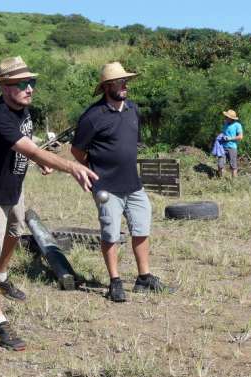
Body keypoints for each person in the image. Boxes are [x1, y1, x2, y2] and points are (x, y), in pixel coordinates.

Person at [0, 56, 98, 351]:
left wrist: (37, 160)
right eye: (22, 84)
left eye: (32, 82)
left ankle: (3, 276)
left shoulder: (24, 110)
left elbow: (28, 145)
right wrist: (70, 166)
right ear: (5, 88)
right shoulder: (0, 117)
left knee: (15, 232)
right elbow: (28, 147)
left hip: (14, 186)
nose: (30, 89)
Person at [71, 62, 172, 303]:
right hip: (106, 186)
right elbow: (77, 151)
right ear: (107, 87)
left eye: (126, 81)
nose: (124, 86)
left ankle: (144, 278)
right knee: (110, 233)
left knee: (141, 228)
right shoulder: (93, 116)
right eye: (119, 82)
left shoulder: (132, 110)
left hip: (133, 184)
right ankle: (115, 282)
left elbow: (131, 143)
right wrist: (93, 173)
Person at [217, 109, 243, 178]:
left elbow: (240, 137)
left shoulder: (237, 125)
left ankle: (234, 183)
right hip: (222, 147)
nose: (225, 117)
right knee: (220, 164)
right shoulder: (225, 123)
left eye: (227, 117)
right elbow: (224, 133)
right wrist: (221, 137)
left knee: (233, 166)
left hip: (232, 148)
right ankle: (220, 180)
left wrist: (229, 138)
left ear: (231, 118)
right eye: (226, 116)